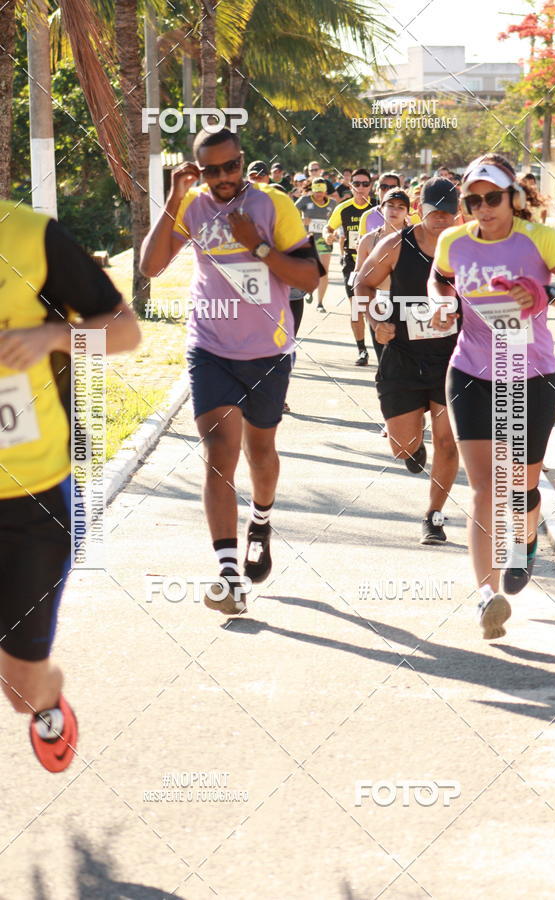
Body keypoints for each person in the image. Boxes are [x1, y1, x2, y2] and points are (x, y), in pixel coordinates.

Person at [140, 127, 319, 617]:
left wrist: (257, 247)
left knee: (261, 452)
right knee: (220, 452)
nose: (222, 177)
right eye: (211, 170)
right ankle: (228, 574)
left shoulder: (273, 205)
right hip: (210, 346)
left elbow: (309, 276)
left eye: (230, 166)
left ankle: (260, 522)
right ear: (199, 170)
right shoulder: (191, 204)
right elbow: (150, 267)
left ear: (243, 161)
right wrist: (174, 198)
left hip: (267, 350)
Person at [428, 153, 555, 640]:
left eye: (493, 198)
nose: (483, 208)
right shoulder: (452, 242)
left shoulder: (540, 240)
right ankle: (487, 597)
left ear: (514, 198)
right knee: (484, 487)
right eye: (473, 199)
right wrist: (442, 304)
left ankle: (524, 543)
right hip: (471, 372)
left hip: (531, 376)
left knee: (519, 487)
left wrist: (544, 292)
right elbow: (440, 281)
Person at [0, 200, 140, 772]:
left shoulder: (30, 237)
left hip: (32, 501)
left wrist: (54, 337)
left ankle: (47, 697)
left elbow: (125, 333)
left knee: (20, 685)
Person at [354, 179, 461, 544]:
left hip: (452, 358)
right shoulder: (397, 244)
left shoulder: (467, 249)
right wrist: (375, 321)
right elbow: (363, 285)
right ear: (421, 208)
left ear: (458, 212)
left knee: (448, 443)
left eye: (448, 212)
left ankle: (434, 516)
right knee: (401, 446)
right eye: (435, 211)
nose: (441, 219)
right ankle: (414, 447)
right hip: (402, 354)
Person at [323, 168, 376, 365]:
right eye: (357, 184)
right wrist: (327, 235)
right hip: (352, 263)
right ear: (350, 186)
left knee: (379, 307)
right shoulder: (343, 208)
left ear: (371, 186)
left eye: (365, 184)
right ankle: (362, 350)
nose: (361, 188)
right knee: (356, 307)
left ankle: (384, 347)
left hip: (378, 264)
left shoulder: (380, 207)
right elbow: (327, 228)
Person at [355, 187, 410, 364]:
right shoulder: (368, 240)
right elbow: (357, 277)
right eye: (390, 205)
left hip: (409, 305)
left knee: (409, 362)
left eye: (401, 207)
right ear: (381, 208)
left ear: (408, 212)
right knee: (385, 361)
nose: (395, 210)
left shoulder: (417, 239)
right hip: (378, 304)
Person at [295, 179, 337, 311]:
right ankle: (308, 290)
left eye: (321, 191)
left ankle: (320, 303)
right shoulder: (304, 201)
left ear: (325, 191)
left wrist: (335, 232)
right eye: (316, 190)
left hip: (324, 241)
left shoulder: (333, 204)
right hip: (308, 240)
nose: (318, 194)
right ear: (312, 189)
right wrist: (302, 221)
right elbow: (290, 213)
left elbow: (337, 221)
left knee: (324, 271)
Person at [358, 172, 403, 237]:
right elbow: (361, 245)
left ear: (400, 190)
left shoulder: (411, 215)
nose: (388, 190)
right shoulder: (367, 216)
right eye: (383, 187)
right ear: (376, 190)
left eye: (393, 187)